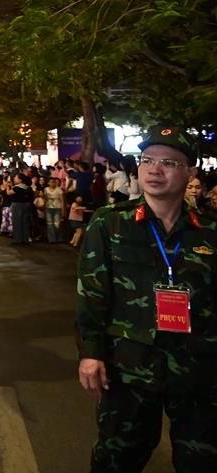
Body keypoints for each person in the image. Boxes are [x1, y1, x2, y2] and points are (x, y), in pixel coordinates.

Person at [77, 126, 217, 472]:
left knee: (203, 459)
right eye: (147, 160)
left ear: (190, 173)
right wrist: (90, 354)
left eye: (169, 162)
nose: (154, 169)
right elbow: (92, 294)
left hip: (199, 367)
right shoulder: (110, 224)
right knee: (117, 456)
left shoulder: (209, 230)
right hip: (129, 366)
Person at [10, 173, 34, 245]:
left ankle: (18, 239)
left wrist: (7, 186)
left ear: (20, 180)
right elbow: (31, 197)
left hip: (17, 205)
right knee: (25, 222)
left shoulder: (17, 187)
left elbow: (9, 193)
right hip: (26, 206)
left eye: (16, 177)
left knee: (17, 222)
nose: (14, 179)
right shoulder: (28, 187)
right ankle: (25, 239)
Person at [44, 177, 66, 244]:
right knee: (49, 224)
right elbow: (45, 199)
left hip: (57, 208)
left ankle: (58, 238)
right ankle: (51, 239)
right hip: (48, 207)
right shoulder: (46, 189)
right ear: (48, 183)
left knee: (57, 224)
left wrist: (63, 209)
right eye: (51, 182)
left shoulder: (59, 190)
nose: (52, 183)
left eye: (53, 182)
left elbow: (62, 201)